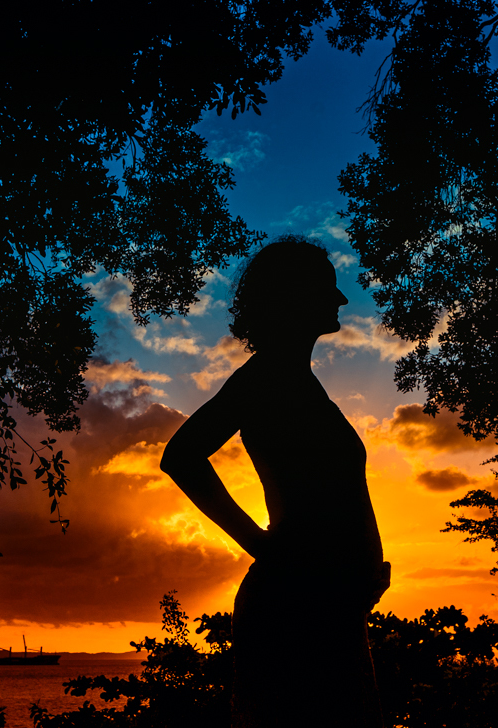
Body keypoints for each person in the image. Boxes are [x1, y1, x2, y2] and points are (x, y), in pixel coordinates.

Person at [159, 237, 390, 727]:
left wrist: (362, 572)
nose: (341, 299)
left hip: (328, 605)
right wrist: (262, 547)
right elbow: (181, 456)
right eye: (328, 287)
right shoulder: (265, 376)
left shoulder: (296, 379)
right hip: (296, 609)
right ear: (295, 295)